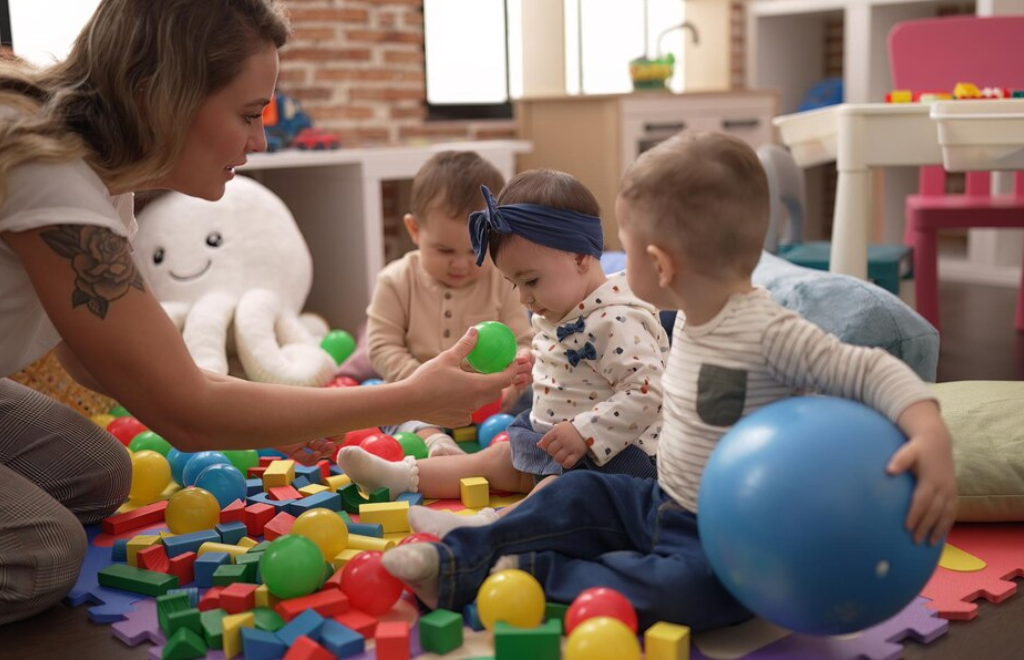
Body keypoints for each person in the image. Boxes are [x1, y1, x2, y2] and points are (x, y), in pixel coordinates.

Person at [0, 0, 527, 625]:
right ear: (163, 95)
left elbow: (103, 364)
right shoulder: (47, 169)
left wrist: (292, 416)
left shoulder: (104, 181)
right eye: (249, 114)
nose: (261, 138)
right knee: (45, 552)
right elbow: (185, 412)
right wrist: (402, 397)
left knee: (101, 476)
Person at [377, 132, 958, 632]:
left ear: (661, 263)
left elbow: (869, 367)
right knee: (573, 493)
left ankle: (526, 577)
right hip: (658, 499)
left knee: (696, 594)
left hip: (726, 533)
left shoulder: (767, 330)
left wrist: (928, 430)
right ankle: (457, 557)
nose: (611, 264)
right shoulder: (687, 316)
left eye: (623, 250)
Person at [337, 169, 668, 537]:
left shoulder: (617, 319)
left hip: (614, 457)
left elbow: (648, 392)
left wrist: (585, 432)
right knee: (495, 458)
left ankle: (484, 528)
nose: (523, 298)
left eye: (530, 281)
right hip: (554, 442)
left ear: (580, 258)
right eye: (514, 283)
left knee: (559, 492)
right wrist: (529, 365)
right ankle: (401, 476)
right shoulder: (563, 304)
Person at [366, 150, 532, 457]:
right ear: (414, 231)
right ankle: (436, 442)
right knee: (387, 407)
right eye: (444, 250)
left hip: (488, 399)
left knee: (539, 399)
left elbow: (523, 340)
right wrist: (421, 386)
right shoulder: (396, 280)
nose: (460, 264)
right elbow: (382, 347)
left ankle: (514, 448)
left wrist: (515, 379)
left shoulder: (502, 280)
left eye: (474, 251)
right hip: (419, 395)